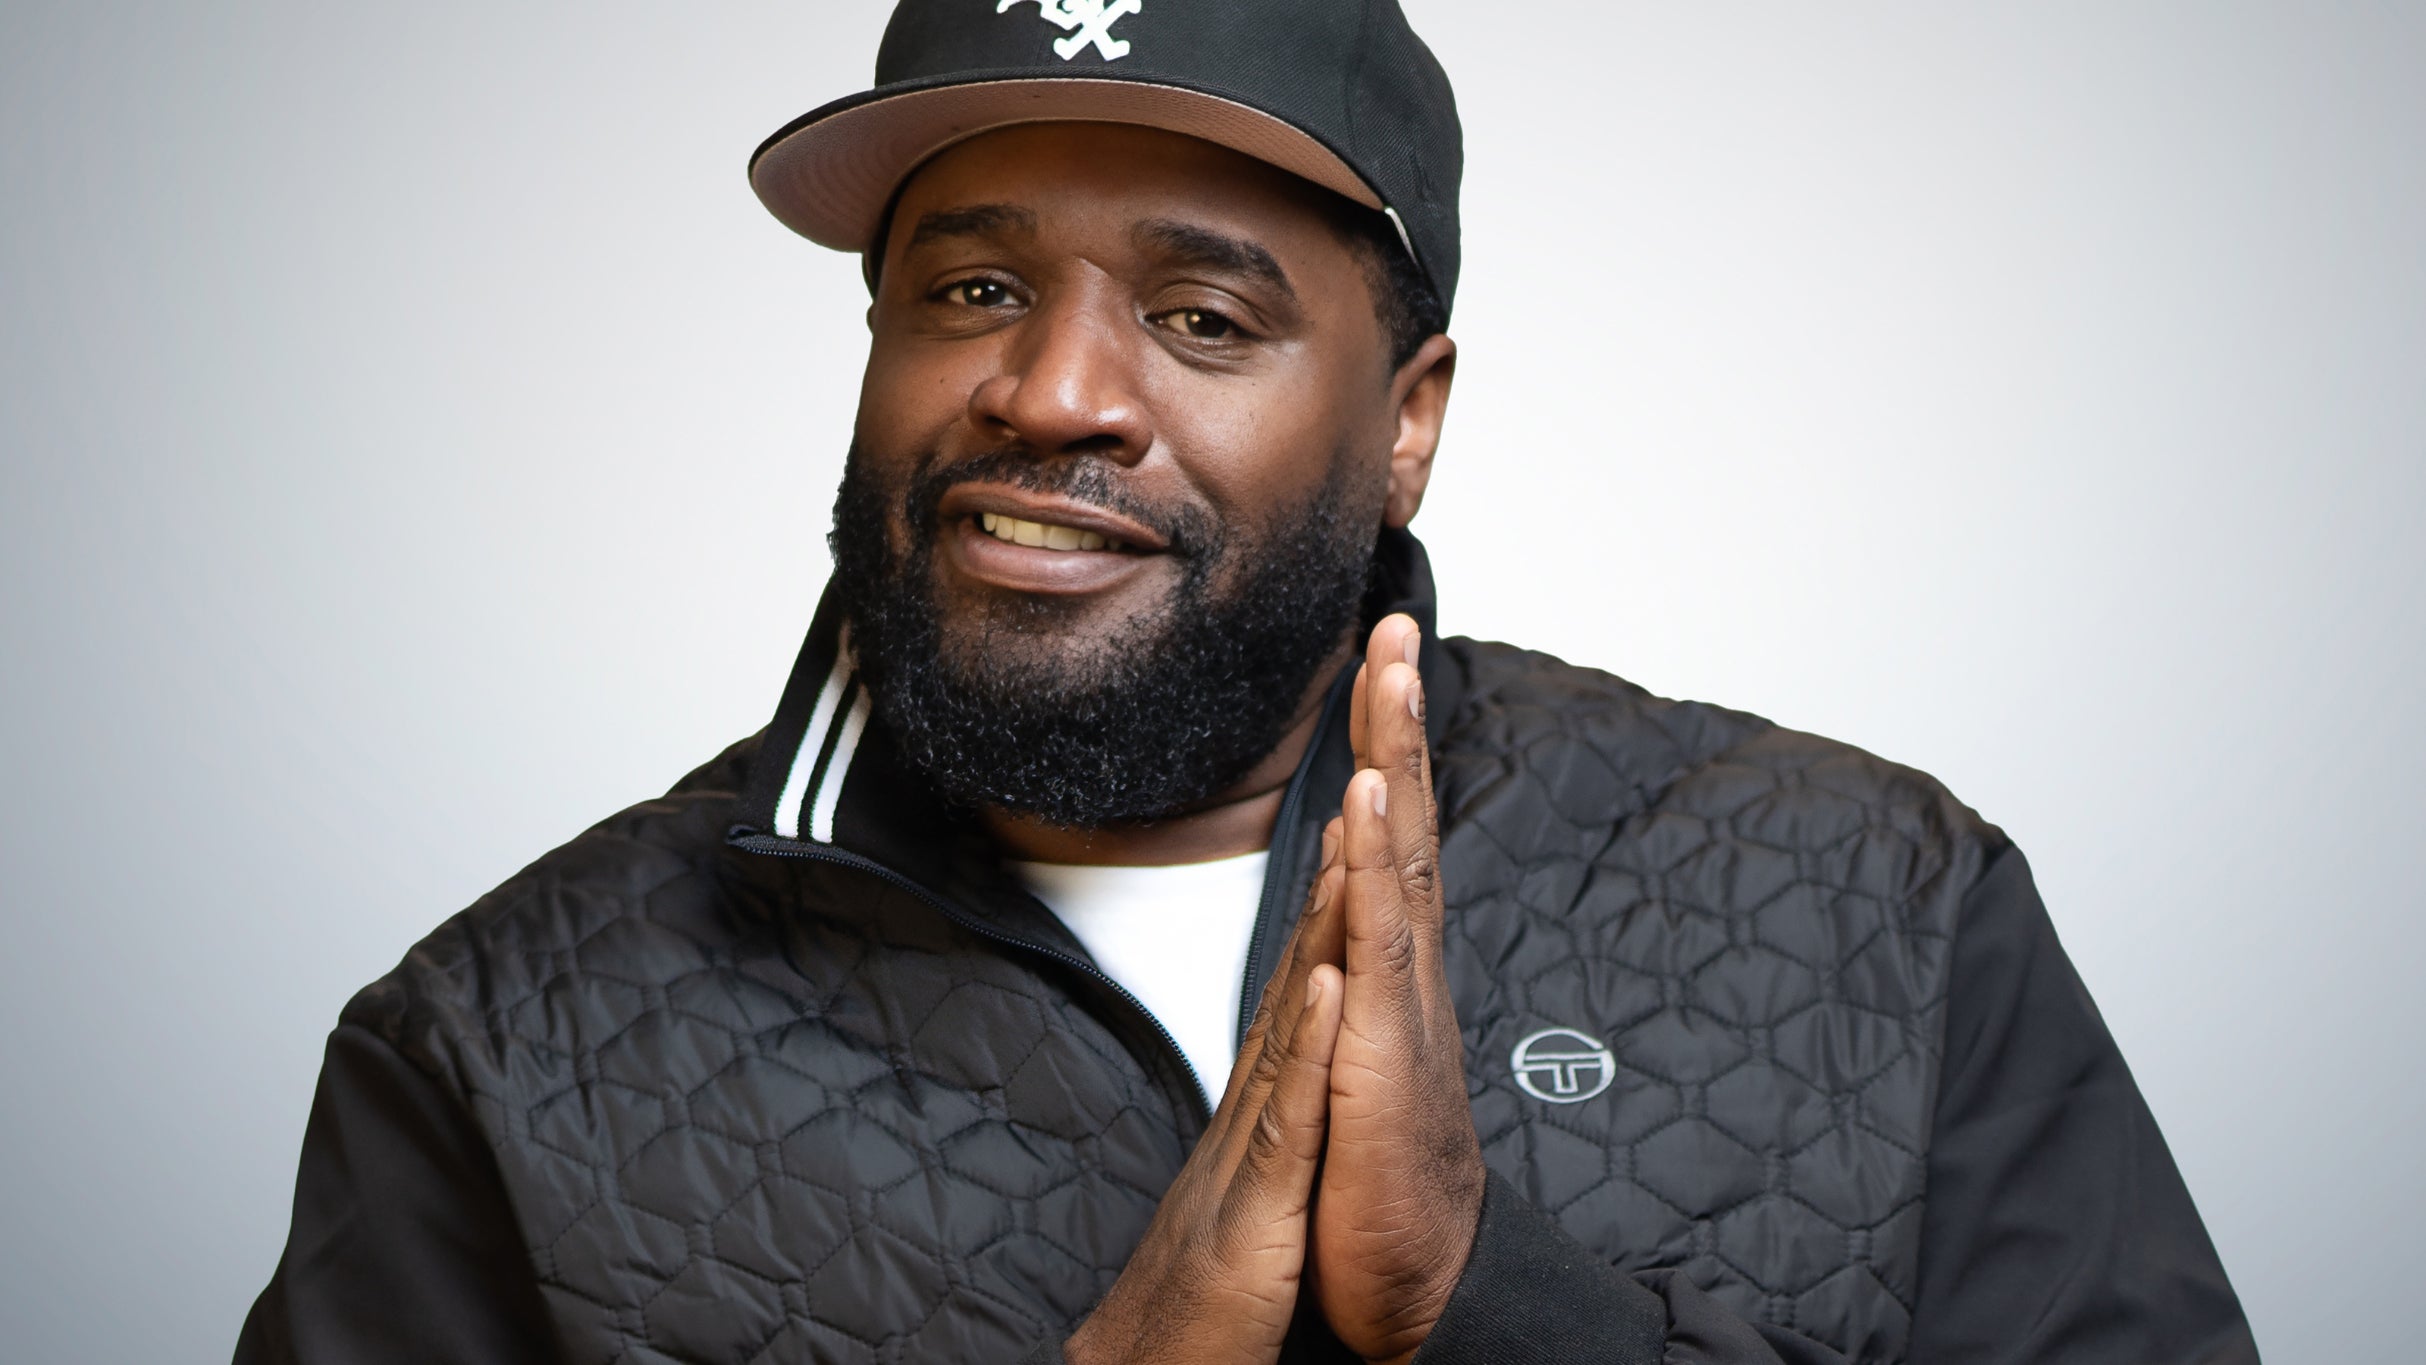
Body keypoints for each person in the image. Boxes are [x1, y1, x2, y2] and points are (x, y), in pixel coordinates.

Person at [237, 1, 2258, 1361]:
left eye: (1202, 314)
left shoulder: (1869, 905)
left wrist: (1481, 1301)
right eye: (970, 289)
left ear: (1406, 421)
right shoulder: (501, 1043)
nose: (1051, 388)